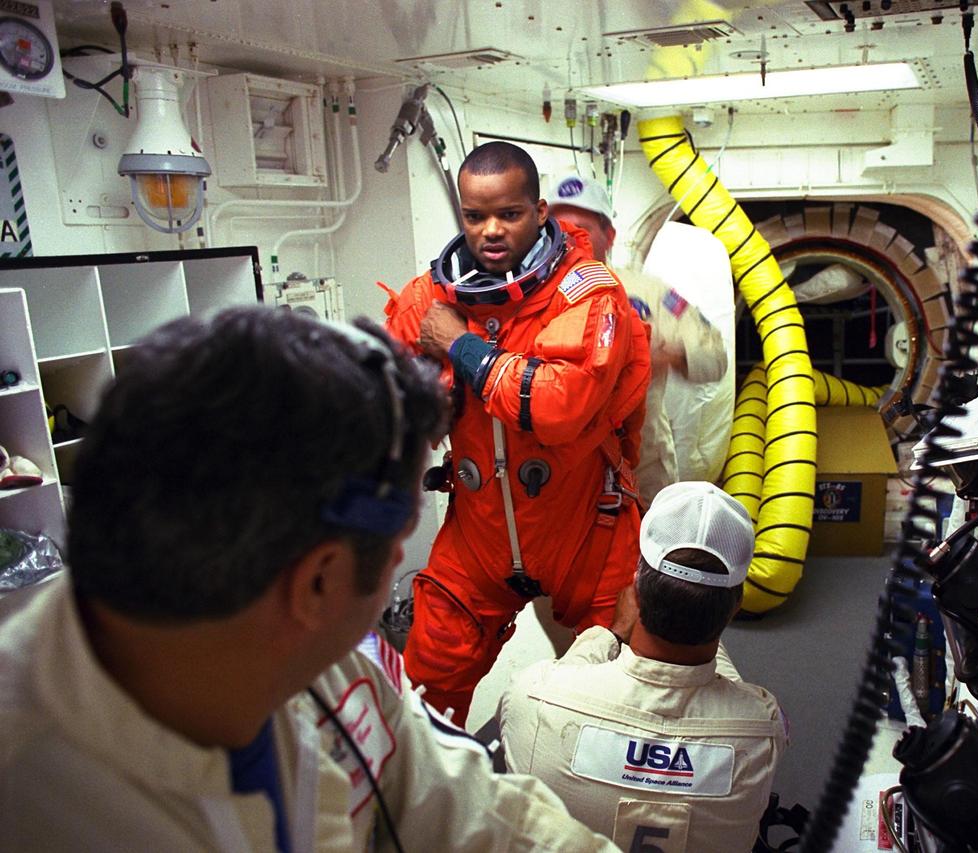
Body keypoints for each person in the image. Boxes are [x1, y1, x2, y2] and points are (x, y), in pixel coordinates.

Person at [0, 307, 618, 852]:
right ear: (319, 583)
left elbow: (477, 811)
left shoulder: (324, 662)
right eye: (403, 541)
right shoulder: (34, 791)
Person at [382, 142, 651, 725]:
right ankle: (427, 802)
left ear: (540, 212)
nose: (491, 231)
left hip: (585, 523)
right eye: (475, 216)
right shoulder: (428, 299)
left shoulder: (589, 293)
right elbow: (385, 404)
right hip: (477, 535)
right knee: (425, 689)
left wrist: (461, 347)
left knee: (619, 694)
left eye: (509, 214)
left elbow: (558, 405)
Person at [499, 481, 788, 853]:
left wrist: (611, 633)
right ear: (735, 607)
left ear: (636, 589)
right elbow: (732, 686)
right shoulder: (761, 731)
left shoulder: (533, 697)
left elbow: (563, 678)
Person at [548, 173, 727, 504]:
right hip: (564, 478)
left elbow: (714, 356)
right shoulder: (530, 300)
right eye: (561, 232)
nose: (571, 241)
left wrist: (655, 357)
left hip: (644, 473)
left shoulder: (647, 293)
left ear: (609, 235)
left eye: (582, 231)